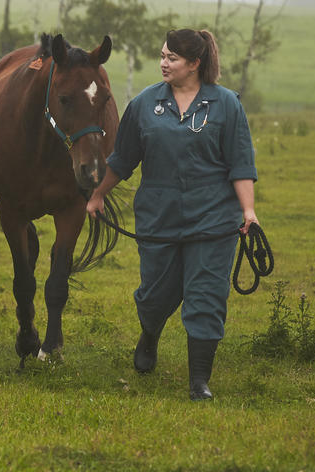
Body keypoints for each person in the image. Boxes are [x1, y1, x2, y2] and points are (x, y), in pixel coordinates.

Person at [86, 28, 260, 400]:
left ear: (194, 64)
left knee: (206, 296)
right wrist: (98, 195)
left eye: (171, 58)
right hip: (158, 218)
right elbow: (122, 160)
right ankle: (150, 333)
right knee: (155, 294)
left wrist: (248, 212)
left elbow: (240, 164)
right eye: (162, 56)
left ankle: (199, 381)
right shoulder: (145, 105)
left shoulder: (227, 104)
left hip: (213, 219)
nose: (163, 63)